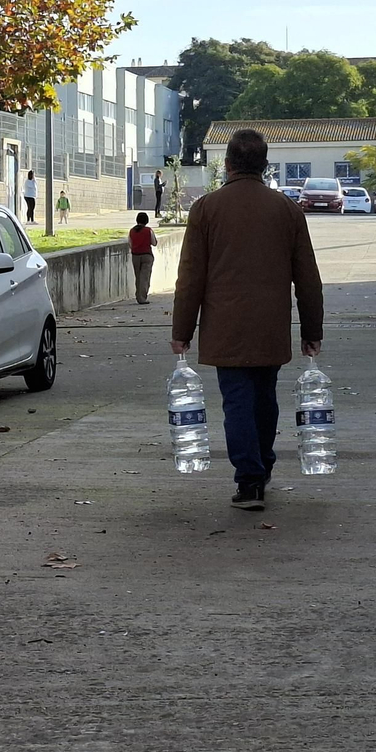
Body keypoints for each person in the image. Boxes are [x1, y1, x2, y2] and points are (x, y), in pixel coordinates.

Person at [171, 128, 324, 512]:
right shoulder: (286, 209)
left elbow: (190, 276)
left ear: (226, 165)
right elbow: (307, 276)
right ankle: (263, 465)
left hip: (225, 326)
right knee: (264, 397)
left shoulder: (206, 209)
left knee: (237, 401)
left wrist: (182, 331)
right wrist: (312, 330)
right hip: (271, 325)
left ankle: (250, 479)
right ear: (265, 164)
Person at [129, 212, 158, 304]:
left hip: (135, 255)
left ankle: (138, 296)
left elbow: (130, 244)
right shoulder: (148, 230)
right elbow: (154, 243)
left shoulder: (132, 231)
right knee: (145, 277)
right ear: (146, 221)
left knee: (138, 276)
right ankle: (142, 297)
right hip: (147, 255)